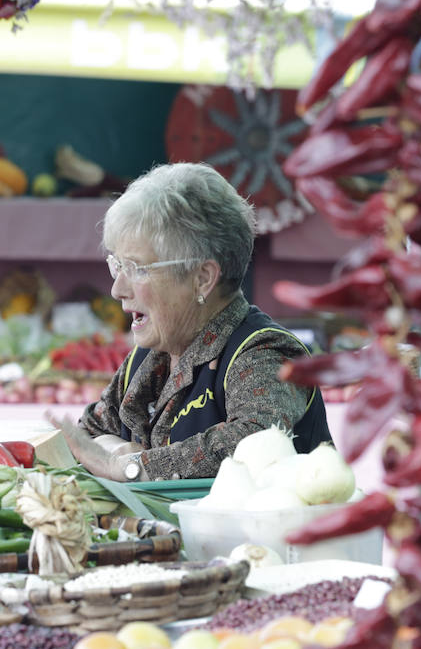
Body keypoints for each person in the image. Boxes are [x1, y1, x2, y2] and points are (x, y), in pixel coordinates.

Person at [49, 162, 332, 481]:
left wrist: (130, 466)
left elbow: (252, 445)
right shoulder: (150, 359)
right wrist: (114, 450)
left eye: (138, 268)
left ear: (202, 278)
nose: (118, 289)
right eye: (118, 265)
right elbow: (84, 440)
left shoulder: (264, 353)